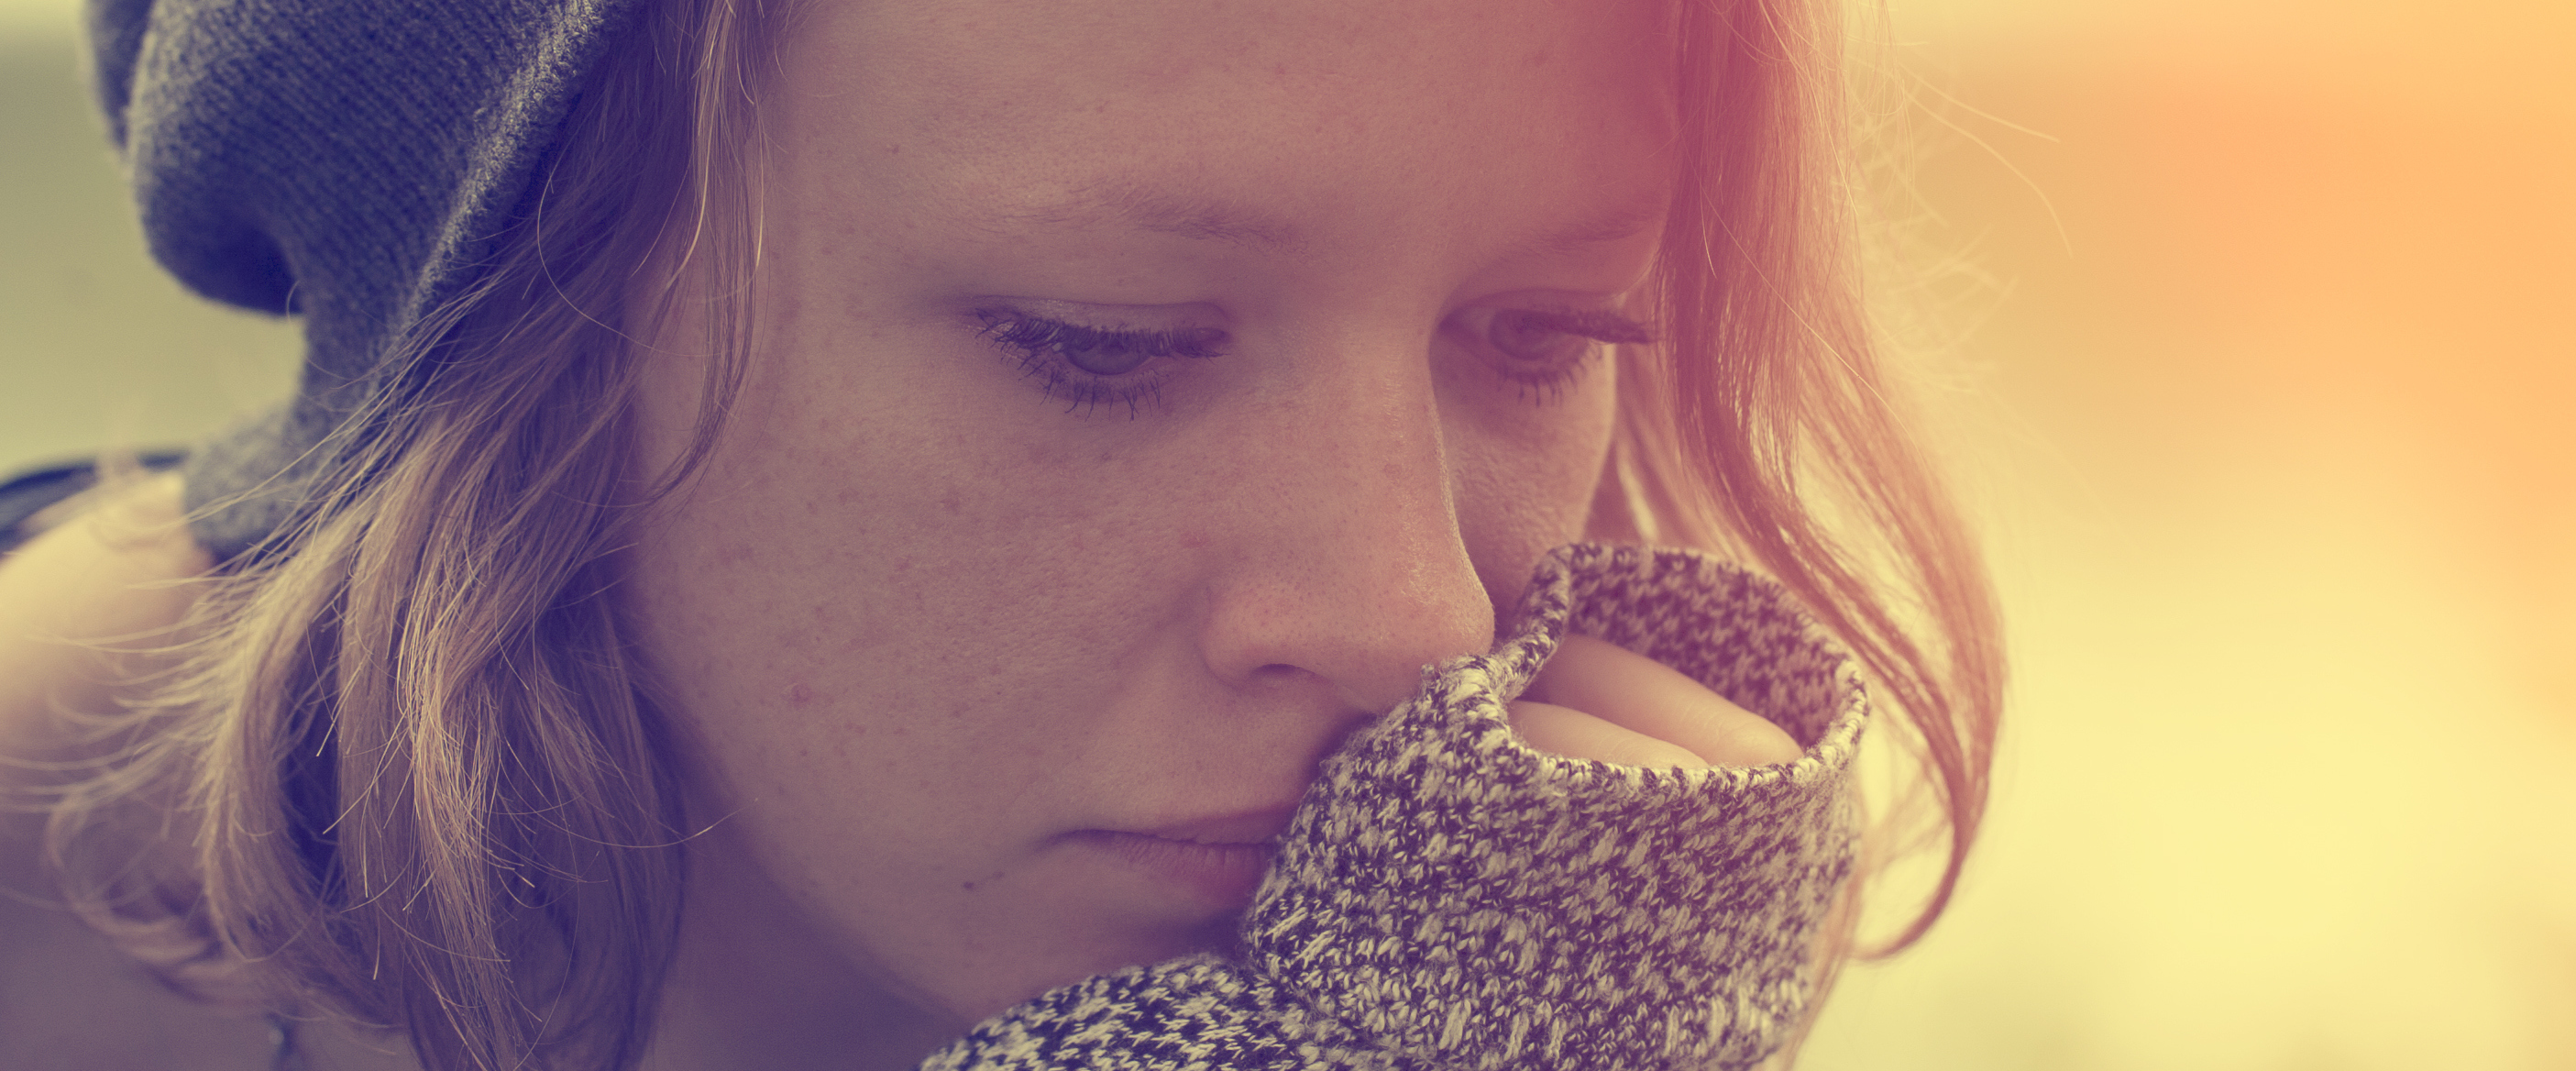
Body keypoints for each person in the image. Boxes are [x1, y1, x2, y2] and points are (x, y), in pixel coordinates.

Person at [0, 0, 2003, 1066]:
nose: (1419, 618)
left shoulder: (1503, 934)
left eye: (1542, 335)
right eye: (1102, 344)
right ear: (512, 304)